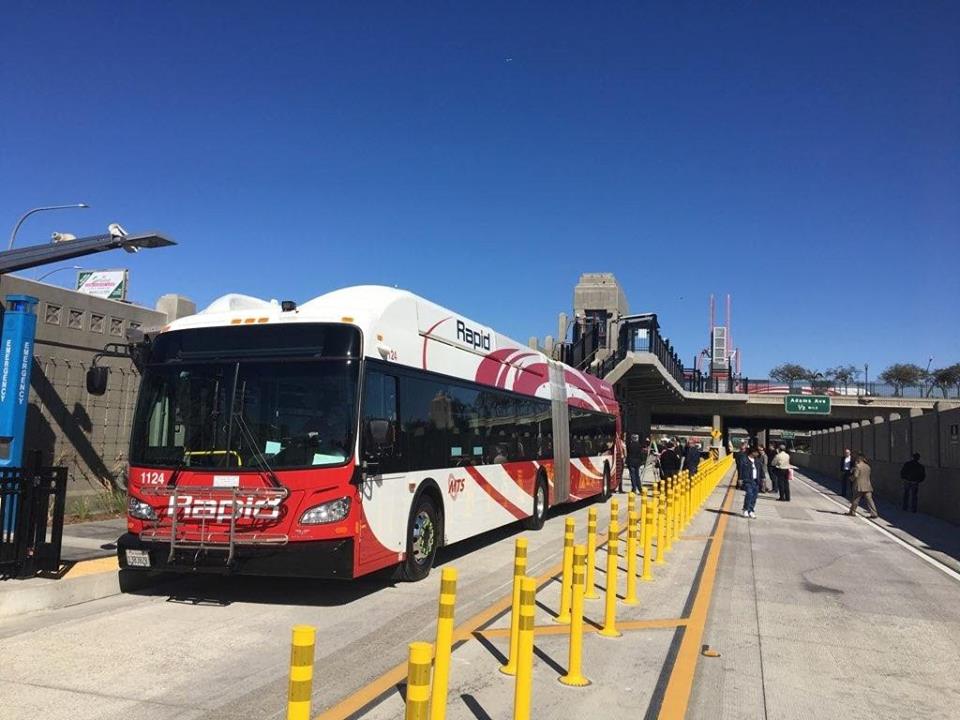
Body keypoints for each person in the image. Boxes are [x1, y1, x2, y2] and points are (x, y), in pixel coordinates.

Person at [848, 453, 878, 518]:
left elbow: (856, 475)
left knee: (856, 499)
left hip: (859, 486)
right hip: (867, 485)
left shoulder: (858, 466)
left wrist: (851, 478)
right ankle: (874, 513)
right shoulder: (868, 466)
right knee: (870, 500)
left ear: (859, 459)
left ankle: (852, 512)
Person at [741, 448, 764, 518]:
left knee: (754, 496)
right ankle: (745, 509)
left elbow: (761, 470)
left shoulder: (757, 460)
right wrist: (740, 479)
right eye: (756, 452)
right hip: (748, 480)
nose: (758, 454)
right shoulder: (744, 459)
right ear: (752, 452)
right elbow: (740, 469)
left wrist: (763, 478)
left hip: (756, 481)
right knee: (749, 494)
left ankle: (751, 510)